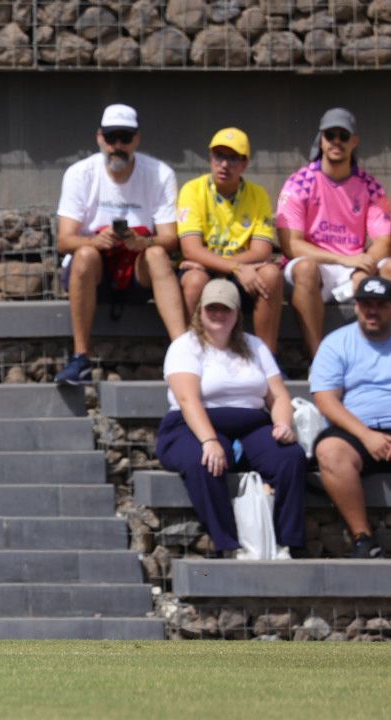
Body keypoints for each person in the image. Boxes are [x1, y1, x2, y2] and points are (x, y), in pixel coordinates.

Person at [155, 279, 304, 558]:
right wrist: (209, 440)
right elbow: (188, 399)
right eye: (212, 308)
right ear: (200, 311)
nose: (219, 314)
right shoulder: (185, 346)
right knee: (204, 460)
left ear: (237, 314)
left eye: (226, 309)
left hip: (251, 424)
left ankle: (287, 541)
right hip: (192, 424)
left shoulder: (255, 346)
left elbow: (279, 396)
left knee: (290, 456)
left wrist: (283, 424)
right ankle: (228, 543)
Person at [54, 104, 186, 386]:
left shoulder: (160, 173)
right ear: (100, 138)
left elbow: (170, 238)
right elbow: (64, 240)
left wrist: (144, 241)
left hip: (138, 268)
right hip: (95, 270)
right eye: (112, 138)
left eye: (125, 138)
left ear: (136, 139)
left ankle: (183, 353)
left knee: (158, 255)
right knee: (85, 254)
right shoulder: (80, 173)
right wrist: (94, 240)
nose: (117, 146)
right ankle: (80, 357)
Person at [275, 108, 391, 356]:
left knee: (389, 268)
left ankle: (381, 355)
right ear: (321, 139)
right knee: (305, 269)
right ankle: (318, 361)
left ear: (355, 141)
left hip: (354, 266)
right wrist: (344, 259)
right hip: (315, 266)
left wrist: (363, 268)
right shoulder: (299, 182)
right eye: (330, 135)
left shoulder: (371, 186)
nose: (336, 141)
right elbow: (291, 245)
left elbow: (384, 239)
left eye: (343, 135)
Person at [175, 127, 284, 352]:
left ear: (244, 163)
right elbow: (191, 250)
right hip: (210, 270)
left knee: (271, 275)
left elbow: (262, 250)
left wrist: (228, 268)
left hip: (239, 274)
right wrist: (235, 267)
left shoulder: (258, 194)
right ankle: (193, 355)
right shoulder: (192, 190)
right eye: (219, 156)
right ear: (210, 158)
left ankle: (267, 359)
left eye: (233, 158)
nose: (224, 164)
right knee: (195, 280)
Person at [309, 275, 391, 559]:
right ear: (356, 306)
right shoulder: (336, 343)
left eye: (381, 305)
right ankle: (363, 539)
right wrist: (366, 435)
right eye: (366, 304)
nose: (372, 311)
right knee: (330, 451)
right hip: (356, 429)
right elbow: (325, 399)